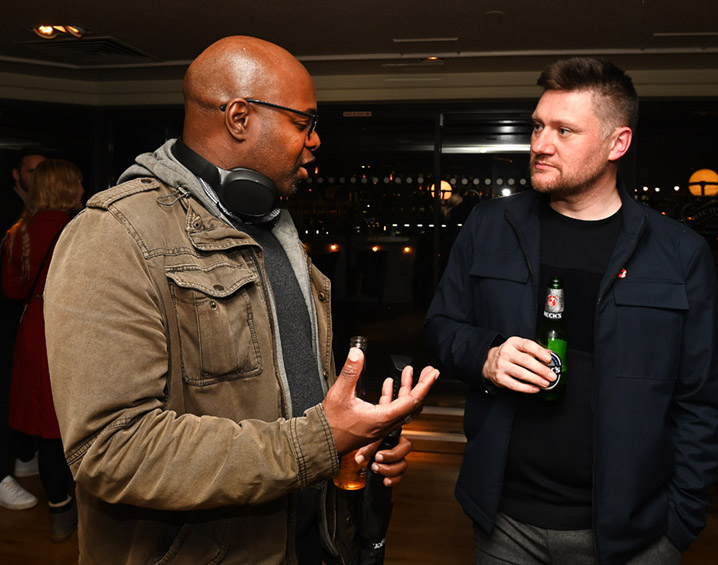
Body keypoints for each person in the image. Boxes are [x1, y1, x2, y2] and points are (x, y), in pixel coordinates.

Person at [43, 36, 438, 564]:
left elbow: (291, 393)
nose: (316, 140)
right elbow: (113, 449)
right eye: (304, 122)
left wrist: (353, 438)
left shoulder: (274, 228)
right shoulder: (114, 235)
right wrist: (319, 441)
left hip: (309, 542)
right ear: (239, 117)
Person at [424, 57, 718, 565]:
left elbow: (703, 401)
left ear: (617, 143)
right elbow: (440, 329)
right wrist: (487, 355)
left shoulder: (680, 253)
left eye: (564, 131)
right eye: (538, 126)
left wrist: (678, 524)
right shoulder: (489, 225)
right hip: (506, 525)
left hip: (635, 537)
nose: (540, 144)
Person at [2, 158, 84, 538]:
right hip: (72, 328)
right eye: (77, 181)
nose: (83, 187)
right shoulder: (79, 229)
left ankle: (59, 509)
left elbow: (12, 290)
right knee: (74, 423)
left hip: (35, 328)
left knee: (48, 426)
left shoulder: (18, 231)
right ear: (65, 187)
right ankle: (87, 509)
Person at [0, 147, 47, 511]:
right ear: (17, 176)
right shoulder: (9, 214)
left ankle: (22, 456)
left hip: (20, 318)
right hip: (6, 316)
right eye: (32, 171)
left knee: (21, 389)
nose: (39, 177)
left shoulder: (39, 214)